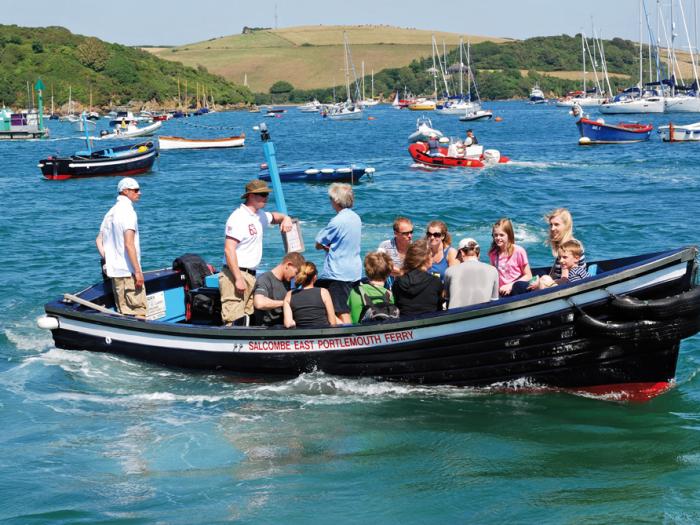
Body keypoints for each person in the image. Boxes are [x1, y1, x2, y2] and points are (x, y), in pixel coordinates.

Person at [220, 179, 293, 326]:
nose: (266, 198)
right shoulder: (238, 218)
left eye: (266, 194)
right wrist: (238, 278)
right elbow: (229, 249)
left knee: (247, 317)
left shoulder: (260, 216)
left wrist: (286, 218)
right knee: (233, 319)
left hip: (251, 275)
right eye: (263, 194)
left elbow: (275, 217)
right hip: (235, 274)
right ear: (251, 196)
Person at [95, 177, 147, 319]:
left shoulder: (110, 214)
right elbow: (129, 244)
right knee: (138, 313)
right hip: (128, 272)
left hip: (115, 273)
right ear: (125, 191)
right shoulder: (128, 212)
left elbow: (98, 241)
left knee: (123, 312)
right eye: (136, 190)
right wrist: (138, 272)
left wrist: (109, 259)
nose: (139, 193)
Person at [315, 183, 362, 324]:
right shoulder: (356, 218)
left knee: (341, 311)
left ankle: (348, 338)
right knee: (347, 306)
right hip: (354, 271)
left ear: (336, 200)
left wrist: (323, 247)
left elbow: (319, 242)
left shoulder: (336, 221)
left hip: (338, 273)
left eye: (331, 199)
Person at [392, 239, 444, 317]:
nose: (432, 258)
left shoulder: (398, 282)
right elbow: (439, 307)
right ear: (426, 259)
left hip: (406, 323)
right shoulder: (435, 282)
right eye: (431, 255)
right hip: (430, 323)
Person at [252, 252, 305, 327]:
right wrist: (285, 303)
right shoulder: (265, 279)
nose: (295, 277)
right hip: (268, 328)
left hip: (287, 326)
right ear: (288, 265)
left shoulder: (290, 281)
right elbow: (259, 303)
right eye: (296, 273)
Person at [444, 238, 499, 308]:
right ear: (478, 253)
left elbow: (447, 300)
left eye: (458, 256)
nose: (458, 259)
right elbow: (494, 302)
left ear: (462, 253)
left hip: (456, 317)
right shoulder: (493, 271)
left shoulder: (449, 271)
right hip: (483, 316)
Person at [283, 262, 336, 328]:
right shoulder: (323, 292)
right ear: (315, 277)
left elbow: (288, 324)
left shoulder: (289, 294)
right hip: (322, 333)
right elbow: (333, 322)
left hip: (302, 336)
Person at [488, 218, 533, 296]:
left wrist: (510, 286)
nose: (498, 238)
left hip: (516, 290)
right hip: (502, 291)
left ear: (509, 235)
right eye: (496, 235)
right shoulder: (493, 253)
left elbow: (528, 276)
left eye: (501, 235)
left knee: (518, 286)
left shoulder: (519, 251)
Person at [348, 252, 395, 324]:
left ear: (367, 272)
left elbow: (352, 316)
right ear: (388, 273)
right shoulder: (389, 295)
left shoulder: (355, 292)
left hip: (359, 332)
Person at [544, 208, 586, 281]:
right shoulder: (567, 245)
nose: (552, 228)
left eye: (556, 224)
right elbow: (553, 274)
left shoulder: (567, 249)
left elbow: (565, 279)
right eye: (551, 225)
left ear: (566, 226)